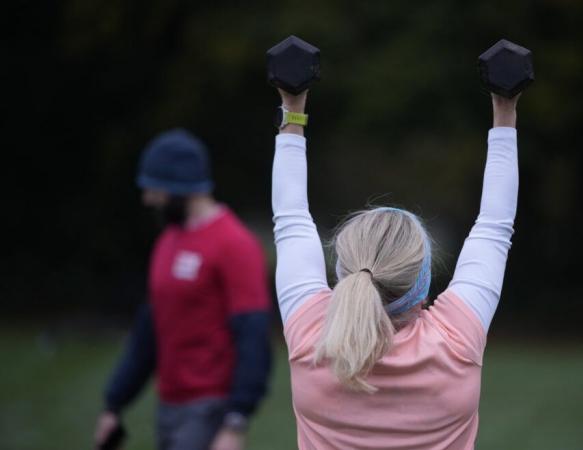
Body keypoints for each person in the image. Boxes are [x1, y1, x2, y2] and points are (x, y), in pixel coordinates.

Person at [271, 86, 520, 449]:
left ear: (344, 272)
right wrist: (505, 108)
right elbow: (495, 226)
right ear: (421, 284)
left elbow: (290, 218)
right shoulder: (456, 342)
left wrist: (291, 107)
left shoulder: (312, 337)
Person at [93, 129, 272, 450]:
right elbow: (150, 329)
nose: (148, 199)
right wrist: (114, 403)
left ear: (179, 188)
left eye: (155, 190)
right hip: (168, 406)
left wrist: (236, 421)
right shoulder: (167, 242)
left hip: (209, 409)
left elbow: (253, 334)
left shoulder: (234, 244)